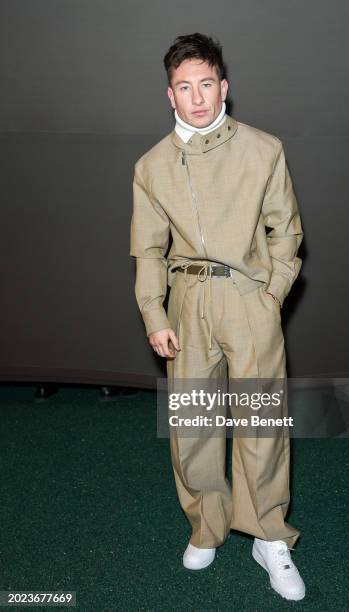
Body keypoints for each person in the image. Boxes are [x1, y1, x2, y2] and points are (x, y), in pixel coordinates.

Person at [130, 33, 306, 601]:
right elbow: (148, 249)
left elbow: (287, 228)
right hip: (187, 303)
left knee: (260, 421)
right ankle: (207, 524)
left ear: (223, 86)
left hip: (248, 299)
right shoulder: (152, 166)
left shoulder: (263, 149)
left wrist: (273, 291)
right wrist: (154, 312)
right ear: (170, 95)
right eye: (185, 87)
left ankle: (267, 535)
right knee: (193, 425)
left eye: (207, 83)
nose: (198, 97)